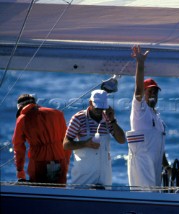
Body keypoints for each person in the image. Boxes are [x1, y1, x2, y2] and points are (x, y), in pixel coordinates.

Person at [126, 45, 170, 187]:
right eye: (149, 91)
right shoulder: (140, 110)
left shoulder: (157, 118)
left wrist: (166, 166)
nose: (152, 94)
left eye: (155, 92)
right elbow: (138, 90)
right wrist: (140, 63)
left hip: (155, 168)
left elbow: (158, 146)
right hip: (142, 165)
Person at [63, 89, 126, 186]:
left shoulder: (108, 119)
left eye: (102, 108)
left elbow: (122, 140)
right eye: (97, 107)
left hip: (104, 177)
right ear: (90, 103)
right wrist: (86, 144)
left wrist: (112, 120)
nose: (99, 110)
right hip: (84, 177)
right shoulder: (78, 118)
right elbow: (66, 144)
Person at [12, 94, 71, 184]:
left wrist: (20, 170)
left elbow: (18, 146)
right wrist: (66, 161)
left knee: (38, 192)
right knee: (59, 193)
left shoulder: (22, 119)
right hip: (59, 158)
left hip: (39, 161)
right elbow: (66, 140)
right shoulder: (57, 113)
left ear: (20, 107)